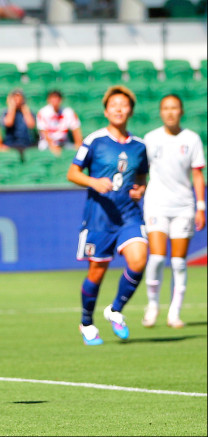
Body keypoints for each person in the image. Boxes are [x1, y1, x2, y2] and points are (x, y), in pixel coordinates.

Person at [67, 85, 148, 346]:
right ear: (106, 110)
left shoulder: (139, 145)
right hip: (99, 217)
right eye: (114, 105)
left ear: (130, 111)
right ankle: (87, 323)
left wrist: (140, 189)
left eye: (123, 105)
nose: (119, 109)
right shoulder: (94, 140)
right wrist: (93, 182)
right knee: (97, 271)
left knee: (138, 260)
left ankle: (115, 310)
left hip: (128, 215)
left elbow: (141, 175)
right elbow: (72, 173)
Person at [141, 94, 206, 329]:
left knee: (178, 262)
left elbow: (198, 174)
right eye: (166, 108)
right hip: (156, 204)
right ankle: (152, 305)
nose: (170, 112)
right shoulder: (151, 139)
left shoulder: (192, 139)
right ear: (160, 112)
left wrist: (200, 206)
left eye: (174, 108)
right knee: (157, 257)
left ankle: (174, 312)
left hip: (183, 206)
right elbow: (141, 172)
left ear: (181, 111)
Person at [36, 89, 83, 155]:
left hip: (64, 143)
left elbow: (76, 129)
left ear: (61, 100)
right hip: (47, 145)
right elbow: (44, 132)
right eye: (53, 98)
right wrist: (53, 146)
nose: (55, 100)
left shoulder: (68, 111)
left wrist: (78, 144)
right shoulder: (43, 112)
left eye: (57, 98)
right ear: (48, 100)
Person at [0, 88, 36, 152]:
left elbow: (31, 125)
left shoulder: (28, 112)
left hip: (26, 144)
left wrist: (25, 109)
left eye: (19, 97)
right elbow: (9, 123)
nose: (17, 100)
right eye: (15, 98)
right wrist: (12, 107)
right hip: (10, 144)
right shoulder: (6, 112)